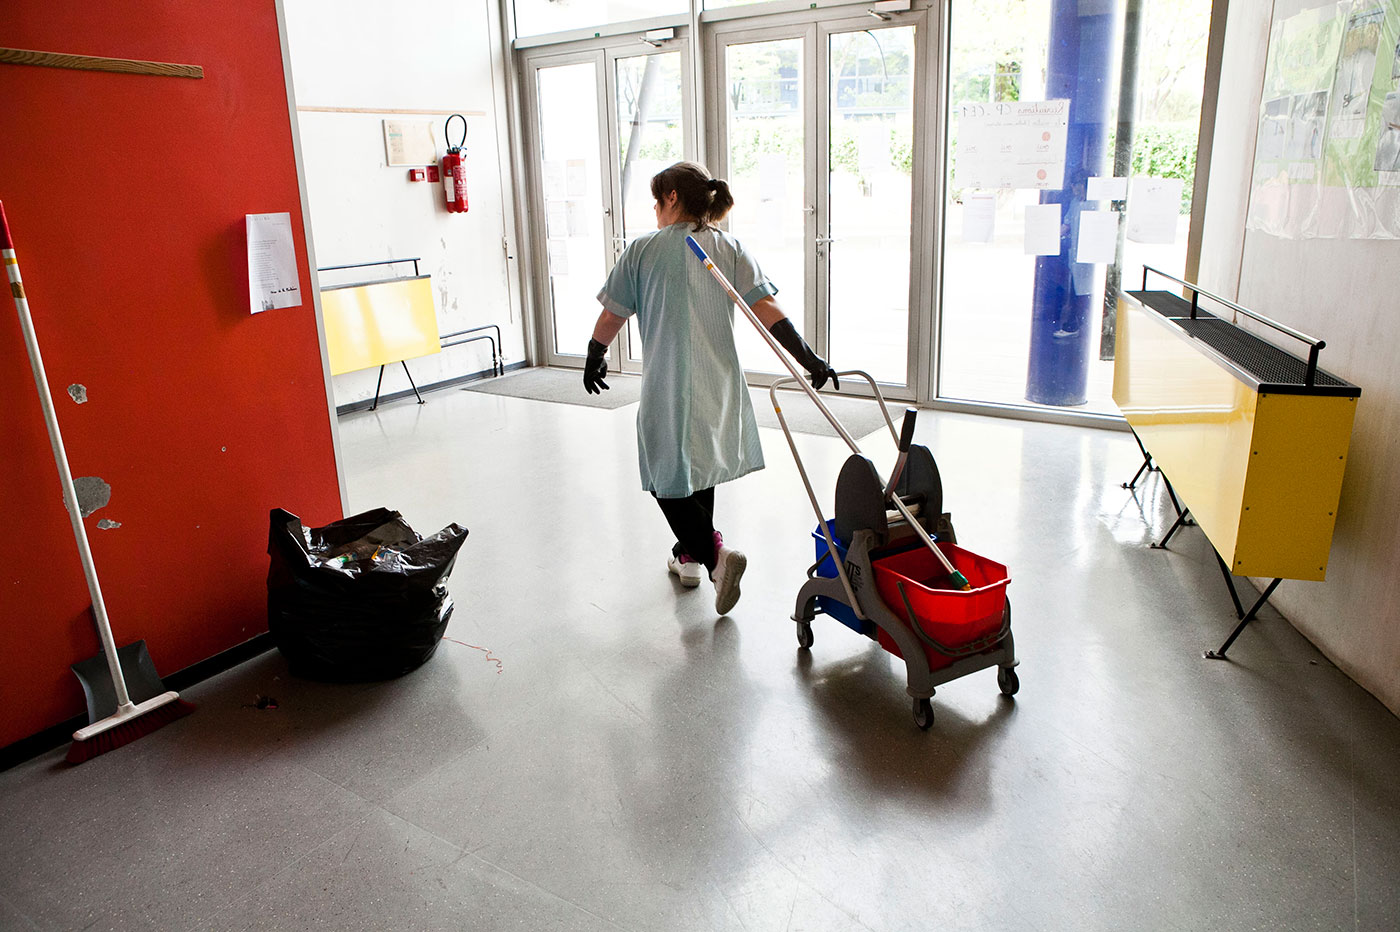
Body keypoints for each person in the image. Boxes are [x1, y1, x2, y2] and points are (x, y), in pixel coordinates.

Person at [584, 161, 837, 615]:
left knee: (665, 476)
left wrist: (595, 353)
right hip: (718, 380)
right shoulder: (730, 247)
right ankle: (689, 556)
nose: (655, 210)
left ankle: (716, 558)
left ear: (672, 198)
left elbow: (612, 314)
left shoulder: (642, 249)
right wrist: (809, 358)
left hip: (669, 382)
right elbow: (766, 307)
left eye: (657, 200)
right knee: (698, 468)